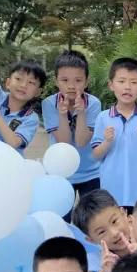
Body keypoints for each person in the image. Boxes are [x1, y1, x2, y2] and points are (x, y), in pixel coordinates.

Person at [91, 58, 137, 205]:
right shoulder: (103, 117)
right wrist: (107, 142)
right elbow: (96, 155)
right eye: (121, 81)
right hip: (110, 192)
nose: (127, 87)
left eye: (134, 82)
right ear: (111, 85)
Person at [0, 13, 43, 155]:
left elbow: (14, 142)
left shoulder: (30, 118)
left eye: (31, 82)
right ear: (8, 82)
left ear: (37, 92)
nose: (23, 85)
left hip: (7, 163)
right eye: (19, 79)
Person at [42, 50, 102, 196]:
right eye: (65, 80)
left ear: (86, 81)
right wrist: (62, 115)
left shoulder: (94, 103)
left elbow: (81, 142)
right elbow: (64, 143)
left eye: (78, 80)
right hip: (60, 172)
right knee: (61, 210)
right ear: (56, 81)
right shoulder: (49, 103)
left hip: (91, 173)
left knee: (92, 211)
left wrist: (81, 112)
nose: (71, 86)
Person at [73, 189, 136, 272]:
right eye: (102, 232)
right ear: (90, 239)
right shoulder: (92, 263)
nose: (114, 233)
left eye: (114, 221)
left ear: (123, 213)